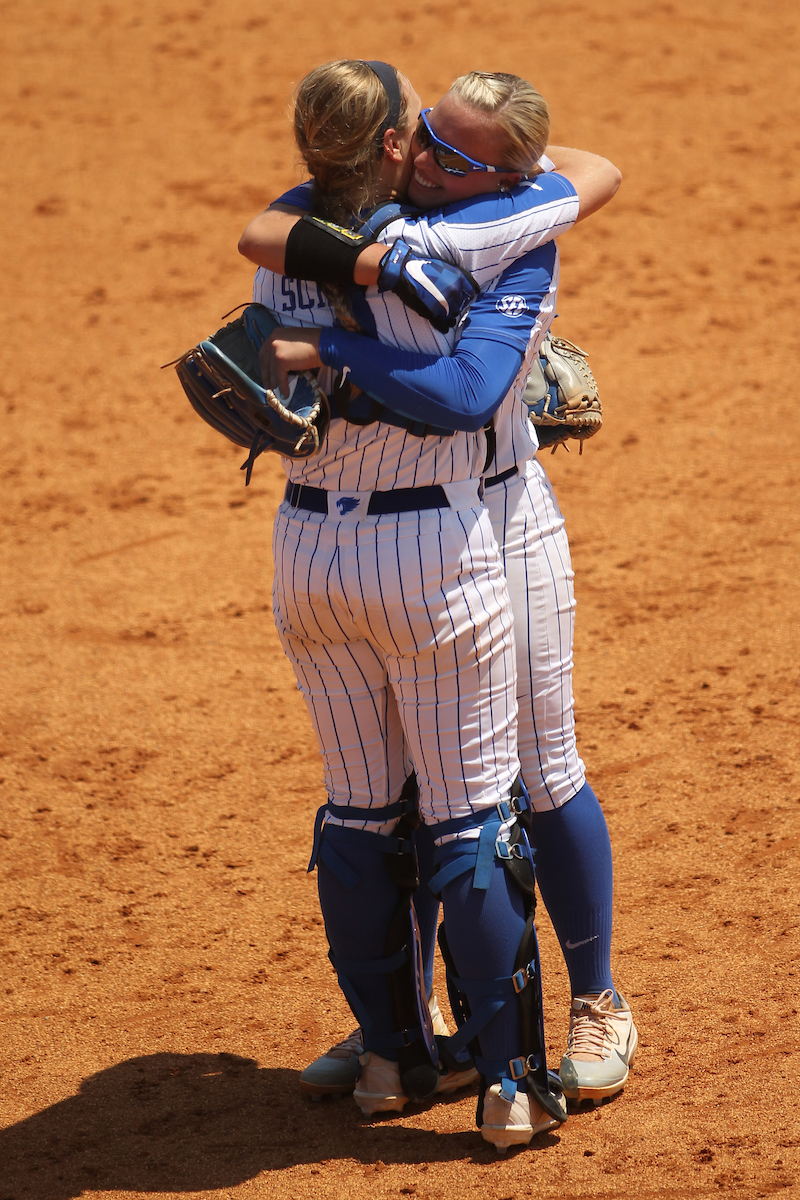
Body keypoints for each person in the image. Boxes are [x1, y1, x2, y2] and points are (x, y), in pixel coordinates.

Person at [242, 65, 637, 1117]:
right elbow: (270, 230)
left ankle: (595, 998)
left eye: (446, 151)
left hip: (502, 516)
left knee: (537, 767)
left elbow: (590, 171)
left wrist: (328, 337)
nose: (421, 158)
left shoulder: (507, 222)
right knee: (419, 791)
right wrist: (357, 261)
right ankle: (411, 1030)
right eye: (417, 139)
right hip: (428, 532)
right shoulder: (377, 212)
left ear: (498, 169)